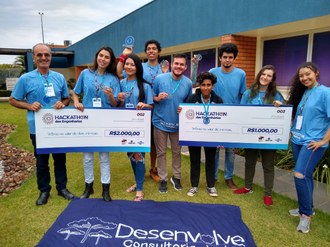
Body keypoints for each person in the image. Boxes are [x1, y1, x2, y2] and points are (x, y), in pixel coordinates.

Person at [9, 43, 75, 206]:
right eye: (40, 55)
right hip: (37, 127)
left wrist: (63, 103)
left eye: (47, 55)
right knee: (41, 160)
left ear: (51, 56)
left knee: (60, 159)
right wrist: (28, 106)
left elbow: (66, 98)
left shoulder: (58, 78)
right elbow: (12, 99)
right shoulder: (26, 79)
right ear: (34, 57)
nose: (44, 58)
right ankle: (44, 190)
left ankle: (62, 188)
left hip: (57, 126)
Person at [117, 39, 169, 182]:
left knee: (153, 142)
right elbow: (121, 73)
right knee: (138, 139)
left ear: (159, 51)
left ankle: (153, 168)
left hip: (158, 109)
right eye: (148, 48)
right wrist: (124, 56)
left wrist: (165, 74)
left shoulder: (163, 68)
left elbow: (166, 87)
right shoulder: (141, 66)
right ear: (146, 52)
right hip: (141, 108)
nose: (151, 51)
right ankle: (141, 166)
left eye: (154, 48)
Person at [72, 46, 120, 202]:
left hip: (104, 120)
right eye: (101, 55)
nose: (103, 59)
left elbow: (115, 104)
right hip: (88, 119)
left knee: (104, 156)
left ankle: (105, 189)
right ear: (96, 56)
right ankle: (89, 186)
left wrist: (111, 96)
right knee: (87, 157)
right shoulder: (86, 74)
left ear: (110, 60)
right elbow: (75, 92)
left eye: (107, 57)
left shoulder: (113, 79)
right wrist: (77, 102)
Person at [287, 62, 330, 233]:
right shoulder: (304, 92)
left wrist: (322, 141)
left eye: (308, 74)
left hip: (312, 143)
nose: (304, 78)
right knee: (306, 176)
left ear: (316, 73)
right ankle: (305, 206)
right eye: (301, 75)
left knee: (299, 175)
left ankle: (306, 215)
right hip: (298, 140)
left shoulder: (325, 92)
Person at [234, 65, 284, 206]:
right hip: (251, 135)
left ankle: (268, 193)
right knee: (249, 162)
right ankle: (247, 187)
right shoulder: (248, 93)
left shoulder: (276, 95)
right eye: (263, 74)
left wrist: (280, 106)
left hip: (268, 136)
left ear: (272, 79)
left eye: (269, 76)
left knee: (268, 165)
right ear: (259, 75)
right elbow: (241, 113)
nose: (265, 77)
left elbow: (284, 114)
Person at [152, 54, 193, 193]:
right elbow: (151, 97)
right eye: (176, 63)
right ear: (171, 64)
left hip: (177, 124)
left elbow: (188, 103)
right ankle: (163, 178)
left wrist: (184, 108)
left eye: (182, 64)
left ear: (185, 67)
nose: (179, 66)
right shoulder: (159, 78)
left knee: (177, 152)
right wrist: (157, 98)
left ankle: (176, 177)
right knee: (161, 152)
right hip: (160, 122)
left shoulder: (188, 83)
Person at [179, 72, 223, 197]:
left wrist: (221, 138)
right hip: (194, 135)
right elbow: (186, 115)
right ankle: (194, 186)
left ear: (212, 86)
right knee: (195, 160)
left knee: (210, 160)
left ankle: (211, 186)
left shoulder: (218, 100)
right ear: (200, 85)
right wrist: (181, 111)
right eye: (203, 85)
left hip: (211, 136)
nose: (206, 88)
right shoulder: (192, 99)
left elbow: (222, 120)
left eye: (208, 85)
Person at [209, 43, 246, 189]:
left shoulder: (241, 74)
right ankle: (213, 176)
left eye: (230, 57)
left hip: (233, 117)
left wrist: (242, 114)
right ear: (220, 58)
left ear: (234, 58)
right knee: (215, 148)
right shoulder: (213, 71)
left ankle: (229, 177)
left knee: (230, 149)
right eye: (224, 57)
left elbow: (243, 94)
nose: (227, 60)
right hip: (216, 116)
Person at [117, 54, 154, 201]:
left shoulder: (145, 86)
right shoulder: (121, 83)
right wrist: (118, 99)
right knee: (131, 155)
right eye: (127, 64)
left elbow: (151, 106)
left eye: (132, 65)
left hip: (140, 127)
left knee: (139, 156)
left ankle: (139, 189)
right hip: (125, 125)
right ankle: (137, 181)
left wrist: (144, 105)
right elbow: (117, 105)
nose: (129, 67)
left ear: (137, 67)